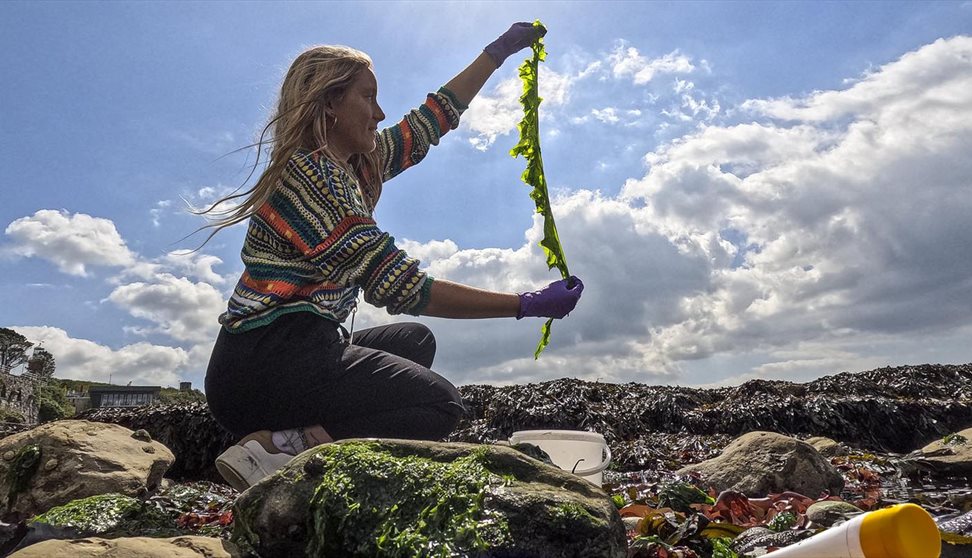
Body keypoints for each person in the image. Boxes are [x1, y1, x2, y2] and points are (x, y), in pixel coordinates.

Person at [201, 22, 584, 492]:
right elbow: (403, 288)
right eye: (368, 97)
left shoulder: (354, 163)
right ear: (329, 105)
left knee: (415, 341)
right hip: (260, 368)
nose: (380, 113)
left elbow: (427, 122)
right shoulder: (312, 178)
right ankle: (283, 444)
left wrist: (497, 53)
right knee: (440, 404)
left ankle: (295, 441)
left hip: (303, 348)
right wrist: (524, 304)